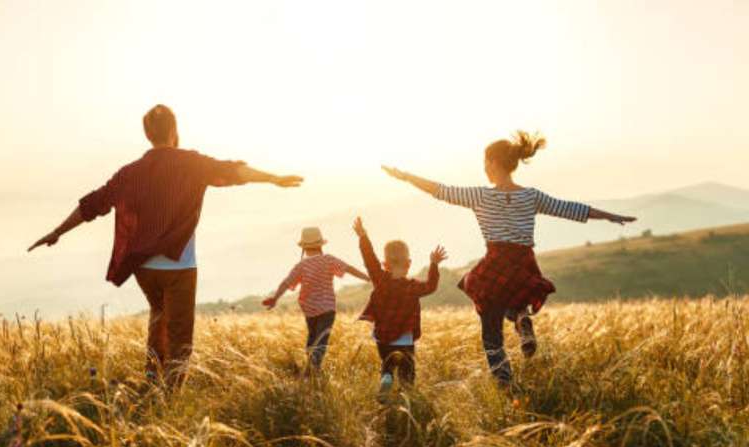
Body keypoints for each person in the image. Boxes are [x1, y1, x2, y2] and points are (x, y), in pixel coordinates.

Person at [28, 104, 303, 389]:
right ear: (173, 130)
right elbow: (233, 171)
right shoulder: (191, 163)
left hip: (144, 268)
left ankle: (152, 379)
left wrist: (58, 231)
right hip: (179, 267)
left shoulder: (129, 173)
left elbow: (92, 205)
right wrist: (273, 179)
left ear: (148, 134)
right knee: (180, 335)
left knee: (159, 316)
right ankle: (170, 395)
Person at [382, 131, 636, 388]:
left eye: (485, 162)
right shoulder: (531, 196)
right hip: (523, 261)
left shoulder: (481, 196)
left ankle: (504, 381)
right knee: (514, 299)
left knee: (489, 326)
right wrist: (610, 216)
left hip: (496, 261)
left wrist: (406, 177)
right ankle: (521, 318)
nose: (484, 168)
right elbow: (570, 209)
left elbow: (440, 190)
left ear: (493, 163)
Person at [352, 217, 446, 400]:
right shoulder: (412, 287)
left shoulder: (379, 279)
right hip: (404, 336)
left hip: (382, 335)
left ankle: (386, 378)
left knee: (387, 364)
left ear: (384, 264)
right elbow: (431, 286)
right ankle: (406, 396)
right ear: (408, 263)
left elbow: (369, 259)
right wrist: (434, 265)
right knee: (407, 370)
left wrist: (363, 237)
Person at [263, 227, 369, 374]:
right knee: (321, 340)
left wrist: (275, 298)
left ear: (304, 248)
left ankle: (311, 369)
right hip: (327, 309)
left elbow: (286, 283)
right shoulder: (328, 259)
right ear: (320, 245)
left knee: (312, 338)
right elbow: (348, 268)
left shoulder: (301, 266)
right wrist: (368, 277)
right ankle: (313, 369)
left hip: (310, 310)